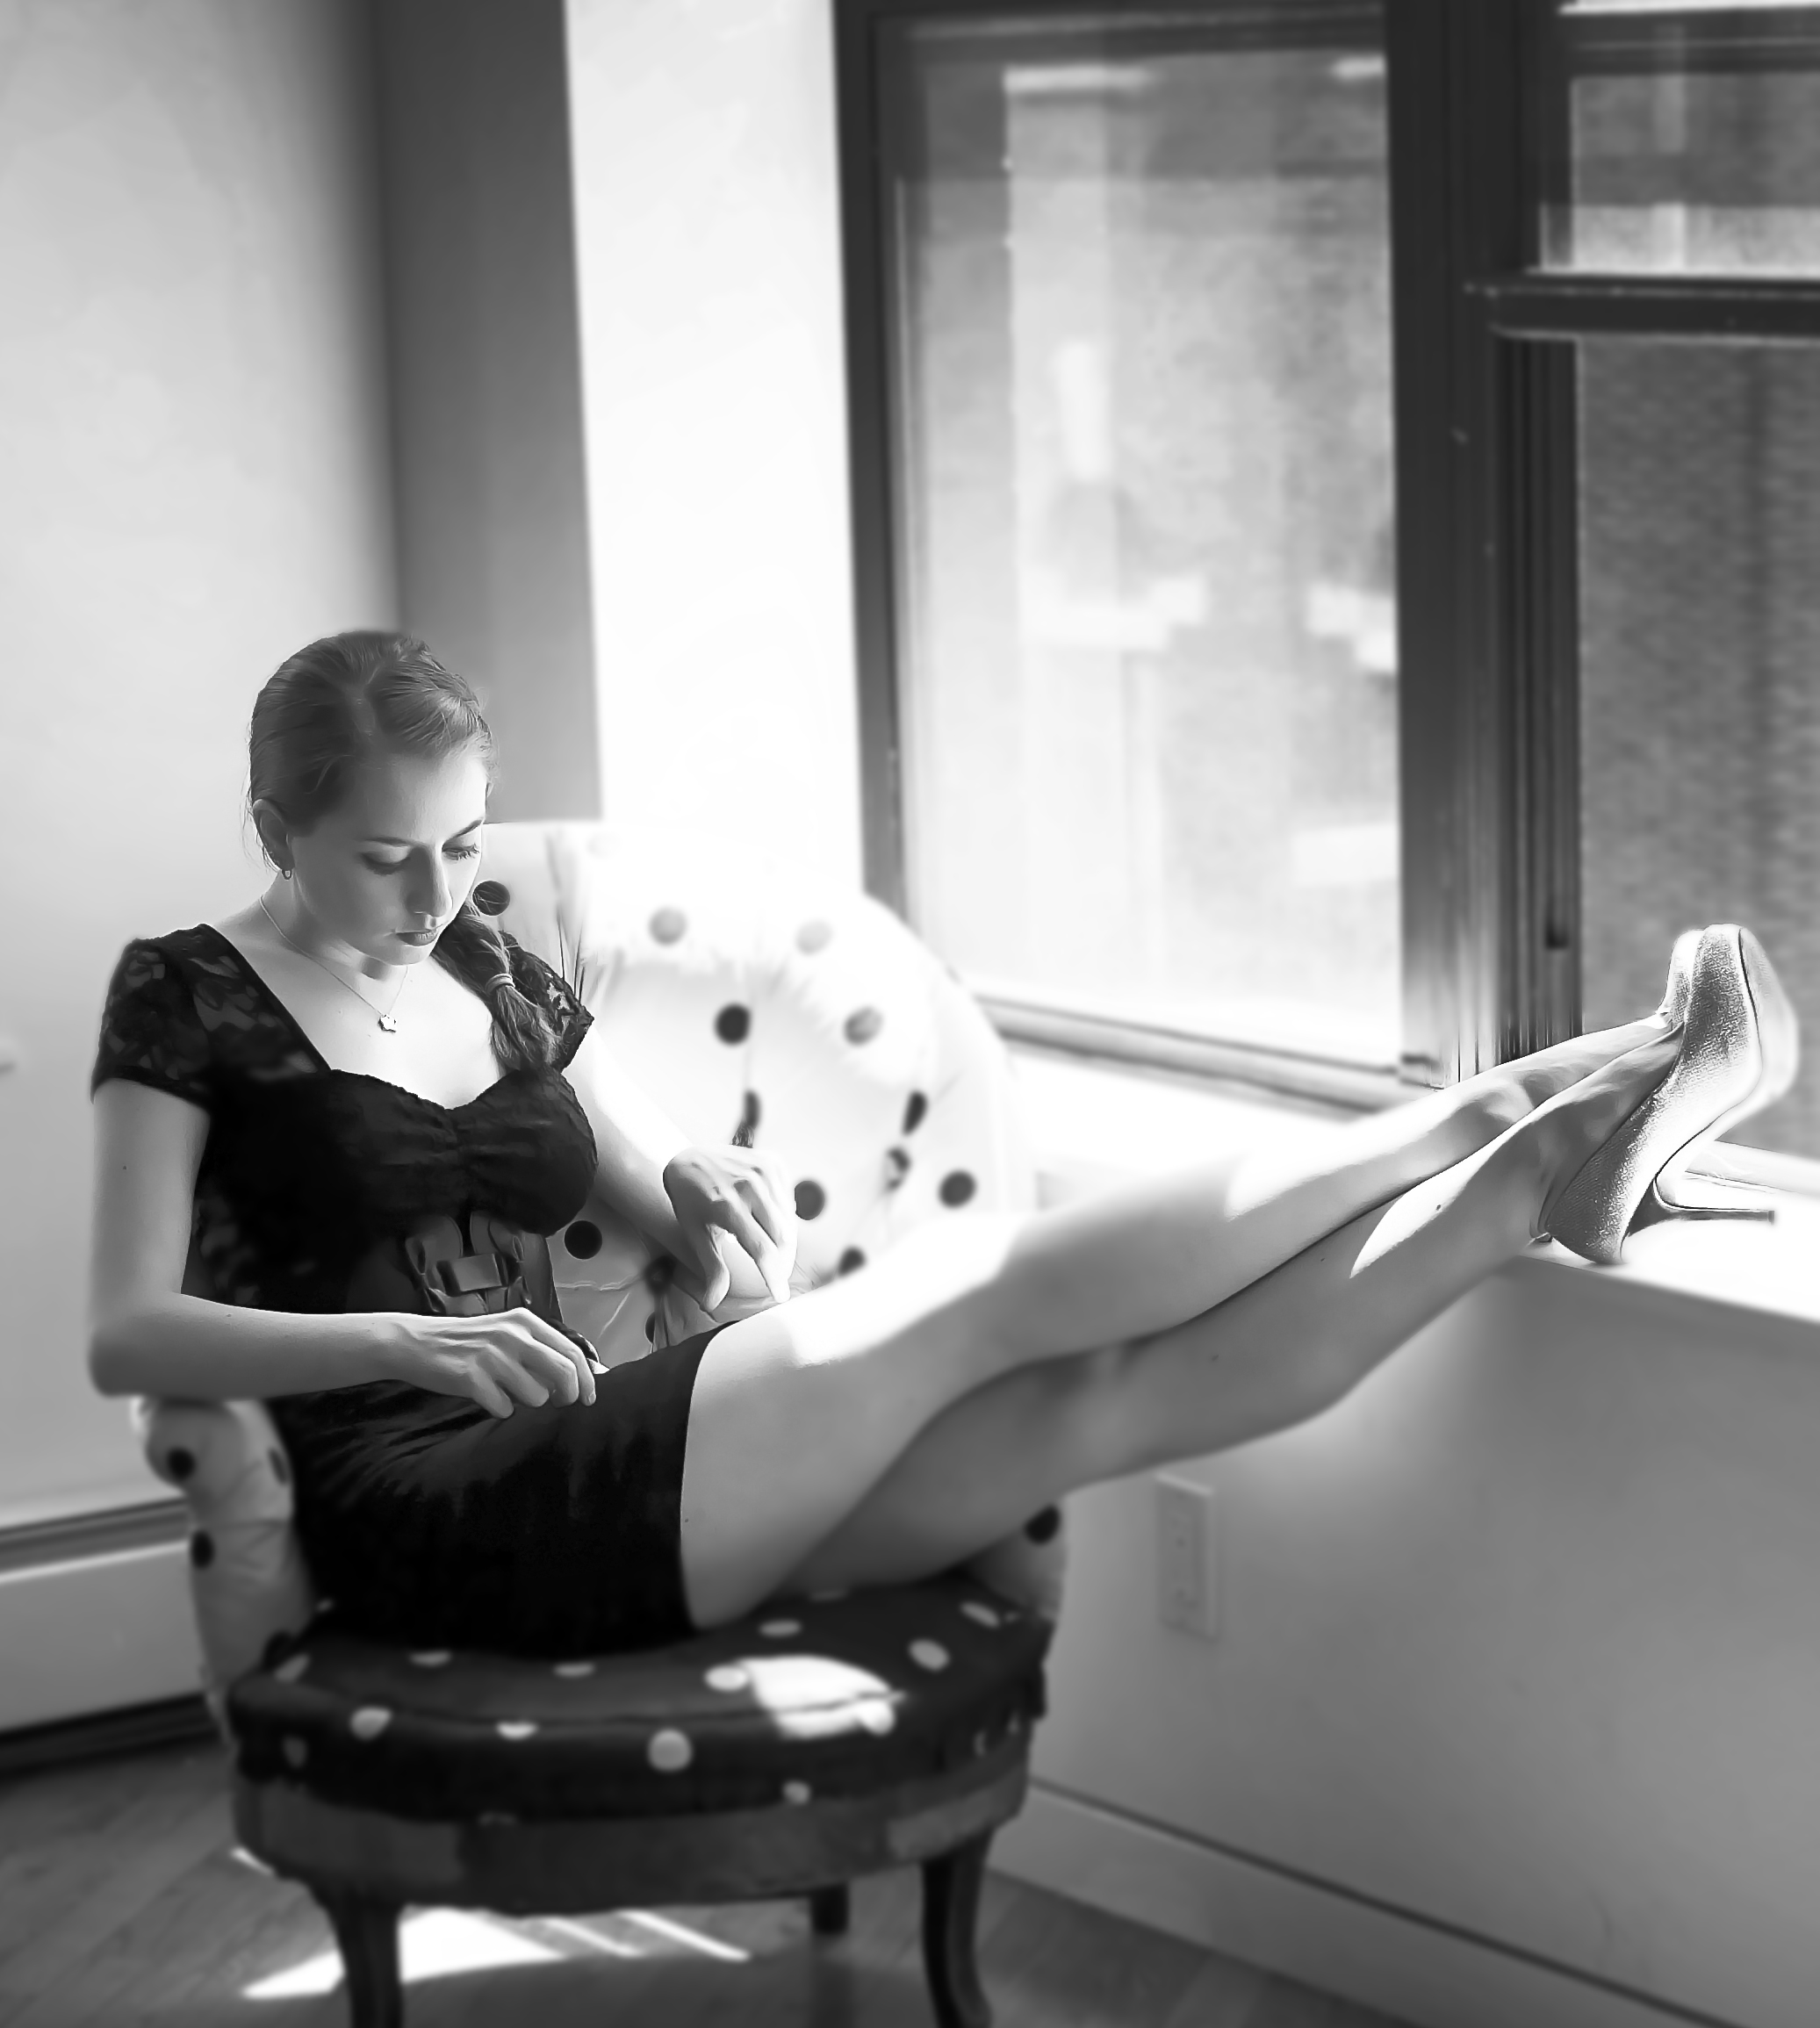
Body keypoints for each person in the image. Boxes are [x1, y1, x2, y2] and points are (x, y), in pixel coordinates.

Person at [89, 630, 1691, 1659]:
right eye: (386, 857)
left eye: (458, 842)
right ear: (276, 830)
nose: (437, 892)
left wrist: (709, 1194)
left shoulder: (487, 959)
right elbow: (126, 1333)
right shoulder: (185, 995)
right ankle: (1496, 1105)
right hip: (420, 1512)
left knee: (1096, 1400)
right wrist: (396, 1344)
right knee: (980, 1292)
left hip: (601, 1456)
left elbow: (669, 1185)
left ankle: (1528, 1180)